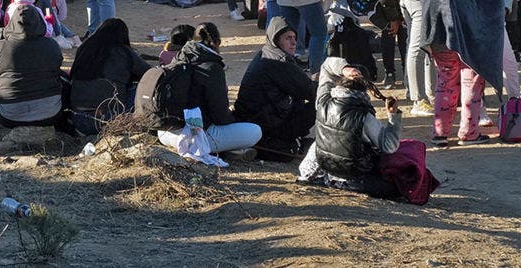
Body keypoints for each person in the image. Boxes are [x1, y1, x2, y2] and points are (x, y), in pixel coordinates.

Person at [423, 0, 505, 147]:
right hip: (473, 38)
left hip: (440, 38)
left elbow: (427, 2)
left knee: (445, 84)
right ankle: (468, 133)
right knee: (472, 83)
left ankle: (440, 133)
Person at [297, 58, 402, 199]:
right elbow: (389, 146)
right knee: (398, 186)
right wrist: (393, 117)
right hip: (355, 179)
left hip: (327, 173)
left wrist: (344, 68)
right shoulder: (365, 117)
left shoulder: (323, 101)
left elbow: (326, 66)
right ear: (366, 87)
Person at [157, 25, 263, 155]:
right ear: (217, 42)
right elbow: (220, 117)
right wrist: (235, 119)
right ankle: (202, 146)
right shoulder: (212, 67)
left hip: (165, 132)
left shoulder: (179, 57)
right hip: (196, 136)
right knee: (255, 131)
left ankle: (186, 142)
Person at [0, 5, 67, 149]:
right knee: (63, 82)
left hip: (8, 117)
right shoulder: (51, 45)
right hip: (51, 114)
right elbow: (56, 68)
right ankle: (65, 128)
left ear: (12, 23)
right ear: (39, 21)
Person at [233, 17, 317, 159]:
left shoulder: (266, 53)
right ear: (276, 39)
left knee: (298, 96)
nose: (294, 42)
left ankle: (296, 138)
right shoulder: (278, 63)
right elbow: (311, 91)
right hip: (268, 127)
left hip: (260, 121)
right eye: (288, 38)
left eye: (294, 37)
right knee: (324, 100)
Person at [69, 18, 151, 135]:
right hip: (110, 119)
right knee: (140, 88)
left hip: (78, 118)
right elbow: (150, 74)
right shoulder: (124, 52)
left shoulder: (84, 48)